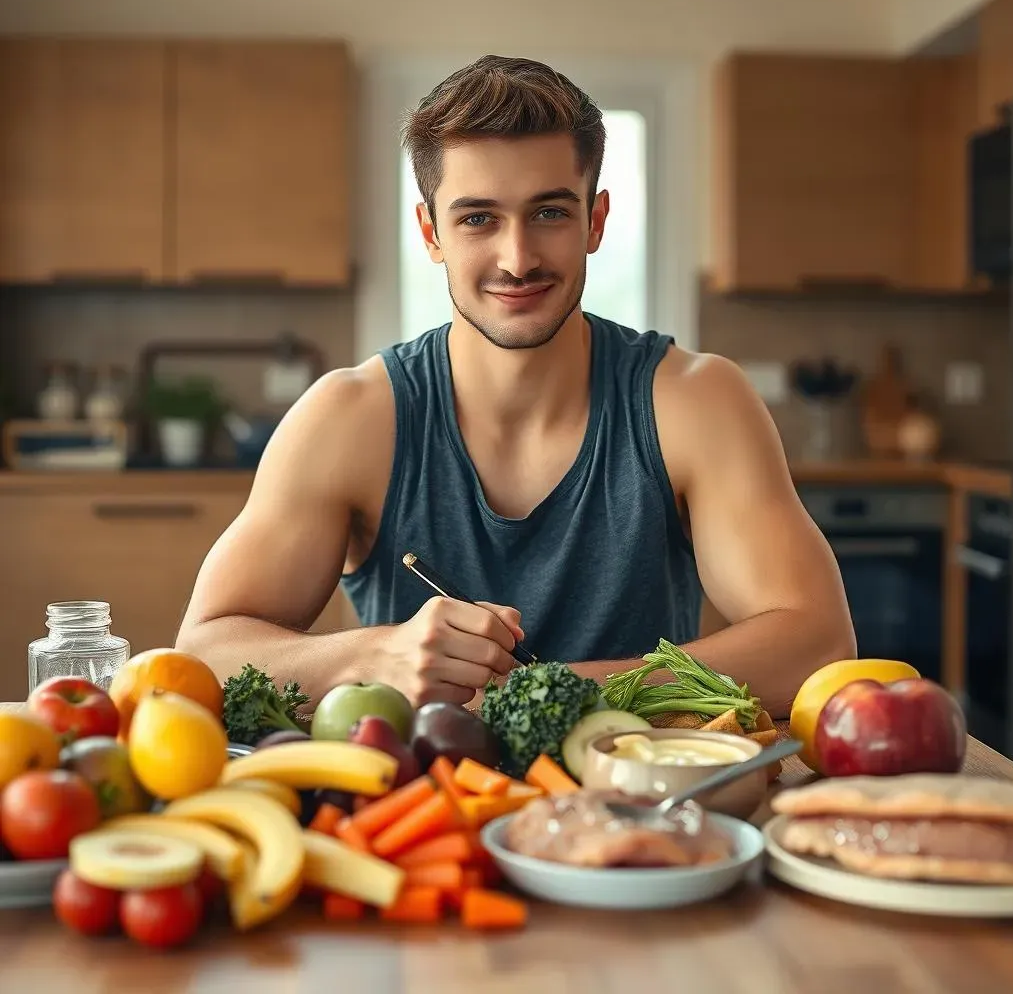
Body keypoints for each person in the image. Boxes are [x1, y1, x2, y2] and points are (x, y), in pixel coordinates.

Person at [175, 54, 855, 718]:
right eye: (478, 218)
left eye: (549, 213)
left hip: (645, 809)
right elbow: (202, 653)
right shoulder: (348, 417)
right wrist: (374, 657)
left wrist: (559, 695)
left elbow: (818, 644)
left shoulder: (696, 400)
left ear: (595, 220)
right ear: (431, 232)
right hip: (414, 814)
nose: (517, 257)